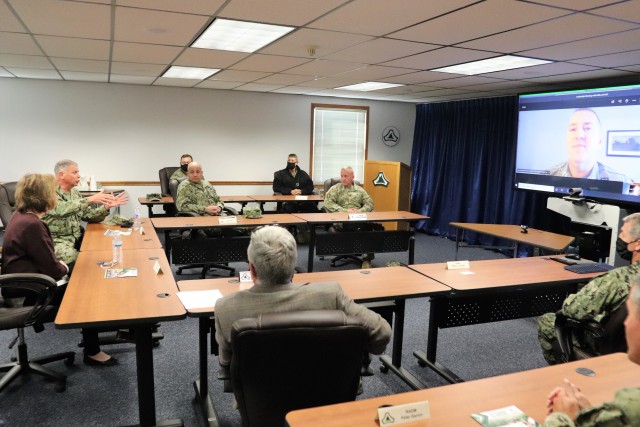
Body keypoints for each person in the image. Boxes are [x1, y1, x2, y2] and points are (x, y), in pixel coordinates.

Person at [214, 225, 391, 367]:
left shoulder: (226, 308)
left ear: (251, 269)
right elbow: (382, 333)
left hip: (259, 406)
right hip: (330, 398)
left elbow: (226, 363)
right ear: (293, 266)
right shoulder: (331, 295)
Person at [2, 173, 117, 366]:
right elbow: (55, 271)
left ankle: (101, 333)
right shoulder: (33, 225)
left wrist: (59, 266)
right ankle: (92, 351)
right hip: (29, 292)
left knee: (82, 284)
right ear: (45, 196)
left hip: (20, 284)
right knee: (86, 293)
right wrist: (62, 266)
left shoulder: (20, 216)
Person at [537, 213, 640, 365]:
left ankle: (561, 374)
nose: (619, 238)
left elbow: (572, 309)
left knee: (547, 320)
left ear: (637, 244)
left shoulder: (617, 279)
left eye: (623, 234)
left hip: (609, 346)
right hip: (631, 347)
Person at [543, 275, 640, 426]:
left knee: (547, 321)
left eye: (631, 314)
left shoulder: (632, 406)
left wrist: (562, 417)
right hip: (613, 350)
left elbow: (571, 308)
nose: (626, 322)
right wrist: (590, 414)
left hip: (600, 345)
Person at [42, 159, 129, 267]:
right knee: (81, 262)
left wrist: (106, 207)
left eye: (78, 172)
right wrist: (89, 200)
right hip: (57, 241)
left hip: (77, 237)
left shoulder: (75, 192)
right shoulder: (49, 192)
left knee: (102, 250)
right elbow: (61, 210)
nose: (79, 176)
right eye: (75, 172)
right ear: (61, 174)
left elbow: (88, 215)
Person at [547, 109, 633, 183]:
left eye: (588, 128)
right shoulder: (546, 178)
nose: (579, 135)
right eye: (573, 129)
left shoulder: (623, 183)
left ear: (600, 140)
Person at [324, 166, 376, 268]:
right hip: (341, 220)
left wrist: (359, 211)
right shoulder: (335, 189)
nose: (343, 178)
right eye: (342, 176)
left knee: (369, 228)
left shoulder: (360, 190)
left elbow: (370, 204)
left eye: (346, 176)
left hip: (358, 218)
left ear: (352, 177)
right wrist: (345, 211)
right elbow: (328, 204)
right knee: (361, 228)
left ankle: (367, 260)